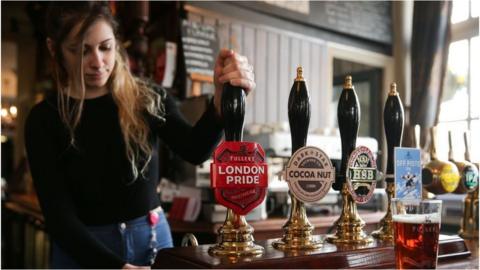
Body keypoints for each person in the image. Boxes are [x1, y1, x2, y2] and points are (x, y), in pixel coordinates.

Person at [24, 2, 255, 269]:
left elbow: (195, 149)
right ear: (55, 49)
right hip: (83, 251)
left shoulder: (146, 97)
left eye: (105, 47)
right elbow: (59, 218)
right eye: (80, 50)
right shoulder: (45, 119)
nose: (97, 62)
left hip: (152, 241)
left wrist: (220, 101)